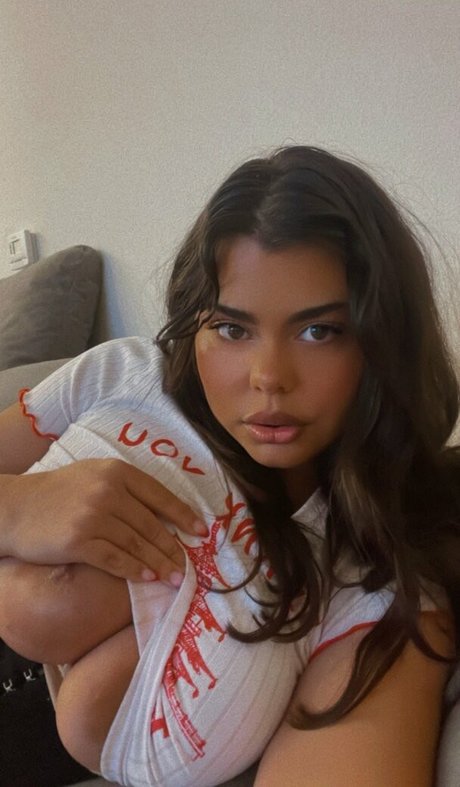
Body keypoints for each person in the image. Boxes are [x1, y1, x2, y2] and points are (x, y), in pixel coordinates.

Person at [0, 145, 458, 787]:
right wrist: (15, 508)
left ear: (385, 338)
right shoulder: (128, 377)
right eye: (232, 329)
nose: (269, 378)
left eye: (319, 331)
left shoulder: (372, 580)